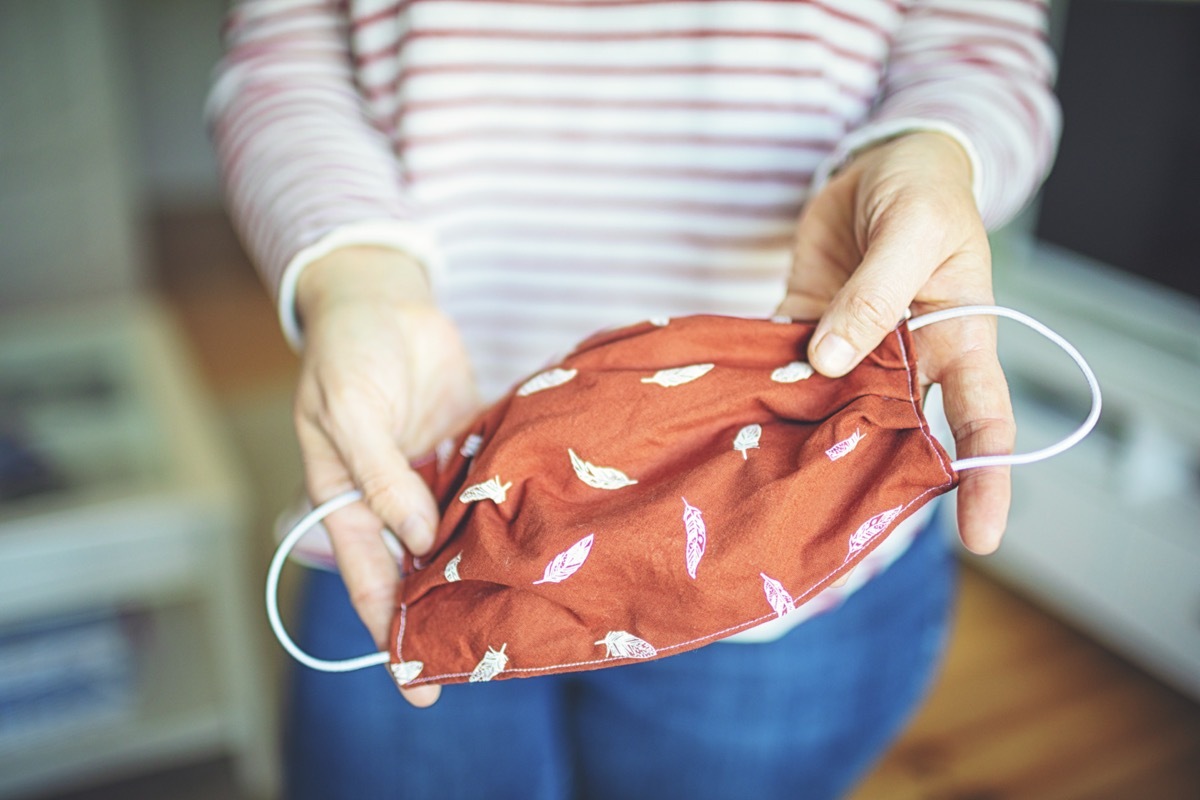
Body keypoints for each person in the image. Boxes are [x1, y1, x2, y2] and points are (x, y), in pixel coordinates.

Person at [209, 2, 1058, 797]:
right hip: (410, 487)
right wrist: (353, 276)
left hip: (788, 520)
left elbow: (976, 48)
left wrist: (932, 151)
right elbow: (285, 62)